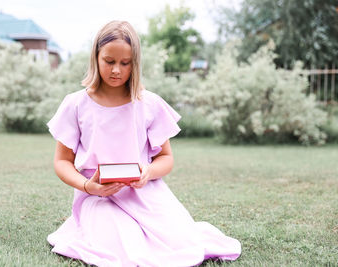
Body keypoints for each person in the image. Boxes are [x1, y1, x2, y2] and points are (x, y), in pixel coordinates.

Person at [47, 20, 241, 267]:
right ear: (96, 57)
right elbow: (62, 162)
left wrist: (147, 173)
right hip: (99, 197)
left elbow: (166, 158)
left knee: (183, 243)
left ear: (135, 63)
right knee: (121, 246)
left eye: (125, 63)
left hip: (145, 193)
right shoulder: (75, 104)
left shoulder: (148, 104)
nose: (116, 70)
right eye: (109, 61)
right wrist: (88, 186)